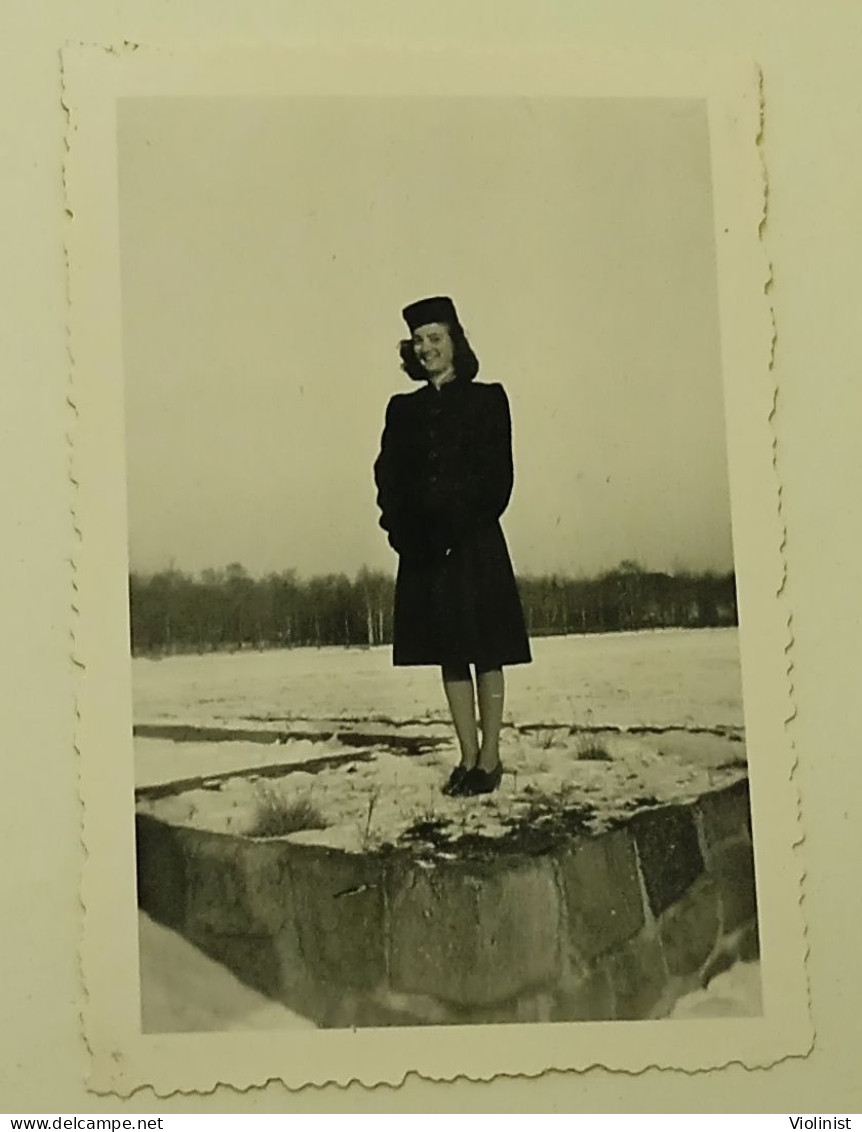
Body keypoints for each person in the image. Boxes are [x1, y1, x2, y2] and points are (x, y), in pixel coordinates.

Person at [373, 295, 532, 797]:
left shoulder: (489, 400)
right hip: (423, 552)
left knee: (485, 648)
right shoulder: (402, 410)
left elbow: (497, 480)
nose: (426, 349)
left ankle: (491, 759)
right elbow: (388, 482)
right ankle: (466, 757)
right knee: (449, 651)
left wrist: (455, 531)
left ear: (456, 342)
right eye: (418, 341)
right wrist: (405, 535)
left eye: (435, 339)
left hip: (473, 546)